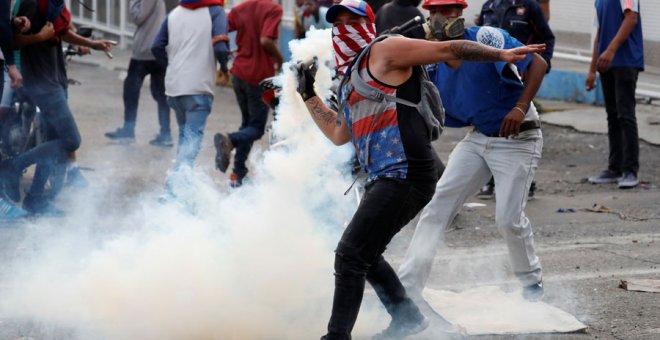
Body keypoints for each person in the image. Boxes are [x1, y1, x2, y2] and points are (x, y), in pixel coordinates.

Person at [294, 1, 544, 338]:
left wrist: (500, 56)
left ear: (369, 23)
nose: (344, 28)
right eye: (338, 23)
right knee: (365, 254)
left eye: (352, 20)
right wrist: (308, 94)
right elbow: (339, 133)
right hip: (386, 176)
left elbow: (448, 48)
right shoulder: (352, 80)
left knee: (350, 255)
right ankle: (408, 318)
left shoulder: (385, 49)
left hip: (406, 172)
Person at [397, 0, 547, 307]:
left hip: (518, 137)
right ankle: (407, 289)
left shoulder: (484, 38)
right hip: (478, 136)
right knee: (437, 207)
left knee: (507, 219)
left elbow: (538, 64)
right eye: (443, 11)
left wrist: (519, 108)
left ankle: (531, 283)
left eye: (455, 10)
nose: (451, 16)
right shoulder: (432, 58)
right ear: (431, 16)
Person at [1, 0, 114, 215]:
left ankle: (36, 200)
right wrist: (39, 38)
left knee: (52, 140)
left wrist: (93, 44)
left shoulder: (54, 6)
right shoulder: (32, 4)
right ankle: (14, 166)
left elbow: (62, 32)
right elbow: (12, 40)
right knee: (72, 140)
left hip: (55, 78)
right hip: (42, 83)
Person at [151, 0, 230, 198]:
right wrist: (224, 67)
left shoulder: (174, 14)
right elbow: (221, 48)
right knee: (190, 147)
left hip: (175, 88)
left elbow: (156, 46)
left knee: (185, 142)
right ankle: (172, 195)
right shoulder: (216, 11)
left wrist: (173, 64)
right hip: (197, 88)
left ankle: (179, 192)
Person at [476, 0, 554, 200]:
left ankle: (525, 184)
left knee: (519, 129)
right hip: (493, 80)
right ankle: (491, 181)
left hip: (520, 80)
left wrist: (538, 67)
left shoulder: (528, 6)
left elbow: (546, 38)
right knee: (492, 127)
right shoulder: (488, 7)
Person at [213, 0, 283, 188]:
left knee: (247, 125)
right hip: (258, 77)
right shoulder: (273, 9)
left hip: (239, 74)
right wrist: (279, 58)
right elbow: (265, 40)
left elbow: (220, 26)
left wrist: (234, 47)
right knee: (257, 128)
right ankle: (230, 139)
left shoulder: (240, 8)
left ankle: (238, 173)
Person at [585, 0, 643, 189]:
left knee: (625, 115)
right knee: (612, 116)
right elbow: (599, 33)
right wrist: (592, 69)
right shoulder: (599, 1)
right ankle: (614, 168)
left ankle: (630, 171)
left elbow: (631, 18)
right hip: (606, 64)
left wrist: (611, 50)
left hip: (625, 61)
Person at [105, 0, 172, 147]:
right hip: (157, 48)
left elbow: (138, 17)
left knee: (131, 89)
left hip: (146, 49)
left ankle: (129, 130)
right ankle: (165, 133)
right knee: (160, 93)